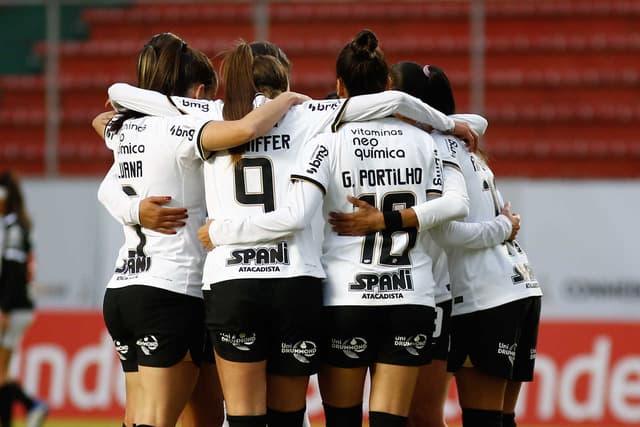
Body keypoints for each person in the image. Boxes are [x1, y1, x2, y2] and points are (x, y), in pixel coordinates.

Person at [103, 36, 477, 427]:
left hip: (232, 282)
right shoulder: (309, 113)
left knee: (243, 416)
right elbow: (395, 102)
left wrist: (116, 132)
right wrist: (450, 124)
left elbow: (123, 94)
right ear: (285, 80)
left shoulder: (212, 116)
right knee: (289, 418)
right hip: (295, 281)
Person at [92, 32, 309, 427]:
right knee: (155, 419)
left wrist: (134, 209)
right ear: (198, 90)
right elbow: (245, 130)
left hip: (126, 286)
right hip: (174, 288)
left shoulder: (126, 129)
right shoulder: (184, 129)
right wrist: (288, 99)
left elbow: (107, 182)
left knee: (197, 415)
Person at [328, 64, 541, 427]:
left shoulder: (436, 146)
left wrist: (385, 220)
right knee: (494, 419)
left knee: (437, 417)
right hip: (516, 288)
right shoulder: (459, 141)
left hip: (479, 297)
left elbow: (448, 231)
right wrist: (505, 225)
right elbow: (476, 123)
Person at [0, 171, 48, 427]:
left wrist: (4, 307)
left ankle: (30, 407)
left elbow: (14, 269)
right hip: (19, 305)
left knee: (0, 372)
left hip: (14, 306)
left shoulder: (14, 227)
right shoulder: (19, 223)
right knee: (2, 371)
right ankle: (32, 406)